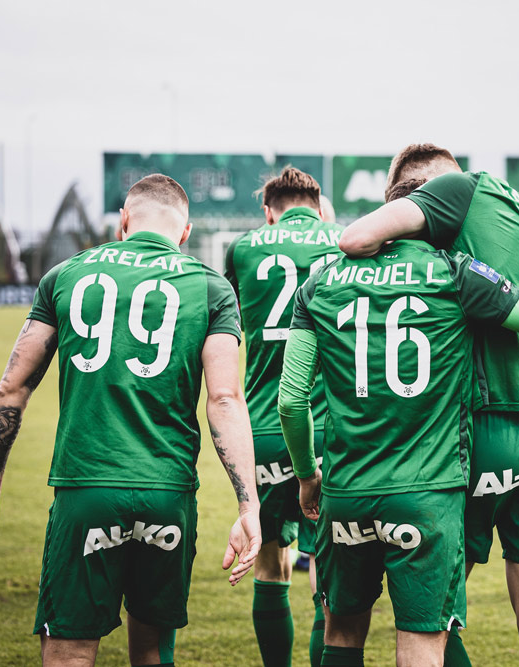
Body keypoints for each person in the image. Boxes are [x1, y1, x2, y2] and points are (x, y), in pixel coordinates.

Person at [0, 174, 262, 667]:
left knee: (69, 650)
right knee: (151, 649)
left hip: (86, 488)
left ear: (124, 221)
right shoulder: (211, 287)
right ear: (185, 232)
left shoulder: (66, 275)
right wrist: (248, 504)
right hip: (167, 494)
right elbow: (224, 399)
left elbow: (12, 389)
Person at [279, 206, 519, 666]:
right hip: (427, 494)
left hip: (346, 491)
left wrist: (306, 475)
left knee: (340, 635)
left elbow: (290, 401)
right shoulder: (456, 272)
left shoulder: (319, 282)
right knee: (422, 642)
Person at [224, 166, 342, 666]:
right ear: (318, 206)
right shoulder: (345, 242)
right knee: (326, 577)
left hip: (262, 428)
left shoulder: (243, 248)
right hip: (327, 428)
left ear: (268, 212)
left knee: (270, 568)